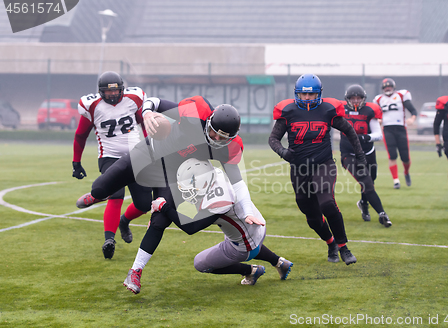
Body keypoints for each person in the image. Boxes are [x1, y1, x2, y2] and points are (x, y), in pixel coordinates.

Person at [75, 96, 256, 285]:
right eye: (214, 133)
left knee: (160, 219)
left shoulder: (228, 147)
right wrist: (146, 113)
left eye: (224, 137)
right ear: (208, 121)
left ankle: (135, 271)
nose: (217, 139)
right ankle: (96, 196)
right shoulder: (194, 113)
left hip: (170, 174)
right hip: (146, 154)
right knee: (100, 187)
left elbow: (237, 182)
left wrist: (248, 212)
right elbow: (156, 102)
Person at [123, 158, 293, 294]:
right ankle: (279, 262)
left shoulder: (219, 200)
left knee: (201, 263)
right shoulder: (213, 174)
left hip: (245, 242)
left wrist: (164, 207)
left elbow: (190, 227)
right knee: (240, 237)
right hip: (255, 226)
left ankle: (251, 271)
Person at [269, 73, 367, 265]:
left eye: (311, 95)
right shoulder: (288, 111)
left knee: (327, 203)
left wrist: (360, 155)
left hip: (323, 164)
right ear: (297, 94)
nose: (307, 98)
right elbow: (273, 139)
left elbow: (349, 130)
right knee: (311, 216)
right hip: (299, 168)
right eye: (304, 95)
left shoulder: (327, 110)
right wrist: (282, 151)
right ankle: (330, 243)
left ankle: (343, 247)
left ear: (318, 94)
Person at [72, 71, 151, 259]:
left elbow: (145, 124)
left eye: (115, 92)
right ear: (100, 92)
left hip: (136, 156)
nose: (113, 95)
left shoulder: (134, 99)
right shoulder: (91, 106)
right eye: (108, 92)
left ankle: (124, 221)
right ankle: (109, 239)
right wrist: (76, 161)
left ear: (122, 89)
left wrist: (150, 146)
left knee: (144, 204)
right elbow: (80, 135)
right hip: (110, 156)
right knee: (116, 194)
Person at [340, 84, 391, 227]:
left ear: (364, 98)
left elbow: (378, 134)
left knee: (370, 181)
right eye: (353, 98)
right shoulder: (341, 111)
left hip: (368, 152)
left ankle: (363, 203)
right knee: (366, 182)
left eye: (358, 98)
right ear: (347, 99)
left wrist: (364, 138)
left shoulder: (370, 111)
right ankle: (382, 214)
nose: (356, 101)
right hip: (348, 154)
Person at [373, 78, 418, 189]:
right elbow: (375, 115)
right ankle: (396, 181)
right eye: (385, 87)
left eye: (389, 86)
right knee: (392, 155)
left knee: (405, 157)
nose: (388, 88)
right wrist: (378, 120)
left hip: (401, 128)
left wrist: (412, 119)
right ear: (382, 89)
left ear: (394, 87)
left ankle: (406, 172)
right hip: (387, 129)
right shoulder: (378, 99)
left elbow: (413, 110)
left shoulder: (401, 95)